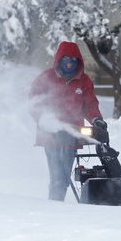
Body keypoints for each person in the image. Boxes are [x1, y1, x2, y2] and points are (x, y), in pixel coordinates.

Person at [29, 41, 108, 201]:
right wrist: (45, 121)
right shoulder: (46, 78)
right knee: (58, 178)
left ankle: (58, 206)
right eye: (66, 58)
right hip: (51, 137)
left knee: (64, 179)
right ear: (59, 59)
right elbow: (34, 102)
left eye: (73, 58)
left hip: (73, 137)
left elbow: (90, 104)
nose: (70, 62)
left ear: (78, 60)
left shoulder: (84, 81)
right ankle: (55, 207)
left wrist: (96, 120)